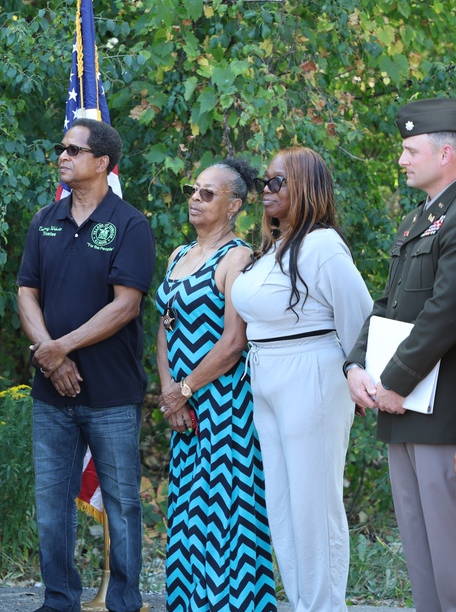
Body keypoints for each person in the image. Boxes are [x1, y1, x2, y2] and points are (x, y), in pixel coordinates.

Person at [17, 118, 155, 612]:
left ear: (102, 163)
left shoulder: (129, 224)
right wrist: (53, 359)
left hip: (112, 395)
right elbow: (26, 294)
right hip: (52, 395)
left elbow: (126, 305)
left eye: (74, 150)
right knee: (53, 508)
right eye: (61, 148)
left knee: (122, 504)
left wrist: (61, 348)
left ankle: (122, 601)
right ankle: (59, 600)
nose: (63, 155)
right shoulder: (45, 220)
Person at [230, 147, 372, 612]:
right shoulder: (274, 248)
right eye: (265, 183)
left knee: (314, 508)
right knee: (284, 507)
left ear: (306, 188)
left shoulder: (323, 245)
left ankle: (325, 607)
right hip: (266, 373)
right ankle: (304, 604)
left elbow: (360, 316)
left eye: (278, 183)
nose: (266, 191)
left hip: (312, 372)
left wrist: (357, 374)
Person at [345, 98, 456, 612]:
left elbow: (444, 312)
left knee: (450, 549)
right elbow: (387, 306)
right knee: (420, 548)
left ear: (447, 152)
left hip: (442, 412)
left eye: (410, 150)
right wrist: (356, 368)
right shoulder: (418, 221)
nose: (401, 159)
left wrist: (393, 380)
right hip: (403, 406)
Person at [155, 158, 278, 612]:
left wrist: (183, 391)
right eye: (194, 189)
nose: (195, 197)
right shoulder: (177, 256)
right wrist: (170, 392)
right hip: (182, 407)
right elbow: (163, 329)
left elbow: (232, 343)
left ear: (234, 206)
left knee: (226, 513)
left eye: (208, 193)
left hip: (224, 405)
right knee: (188, 513)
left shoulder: (238, 257)